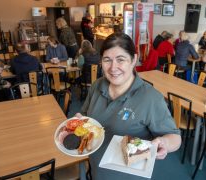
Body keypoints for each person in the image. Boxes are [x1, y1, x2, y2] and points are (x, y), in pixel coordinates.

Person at [76, 32, 181, 180]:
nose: (113, 67)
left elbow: (175, 137)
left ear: (134, 60)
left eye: (121, 60)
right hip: (96, 170)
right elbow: (86, 117)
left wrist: (164, 142)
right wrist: (80, 122)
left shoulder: (150, 98)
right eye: (107, 60)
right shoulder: (97, 86)